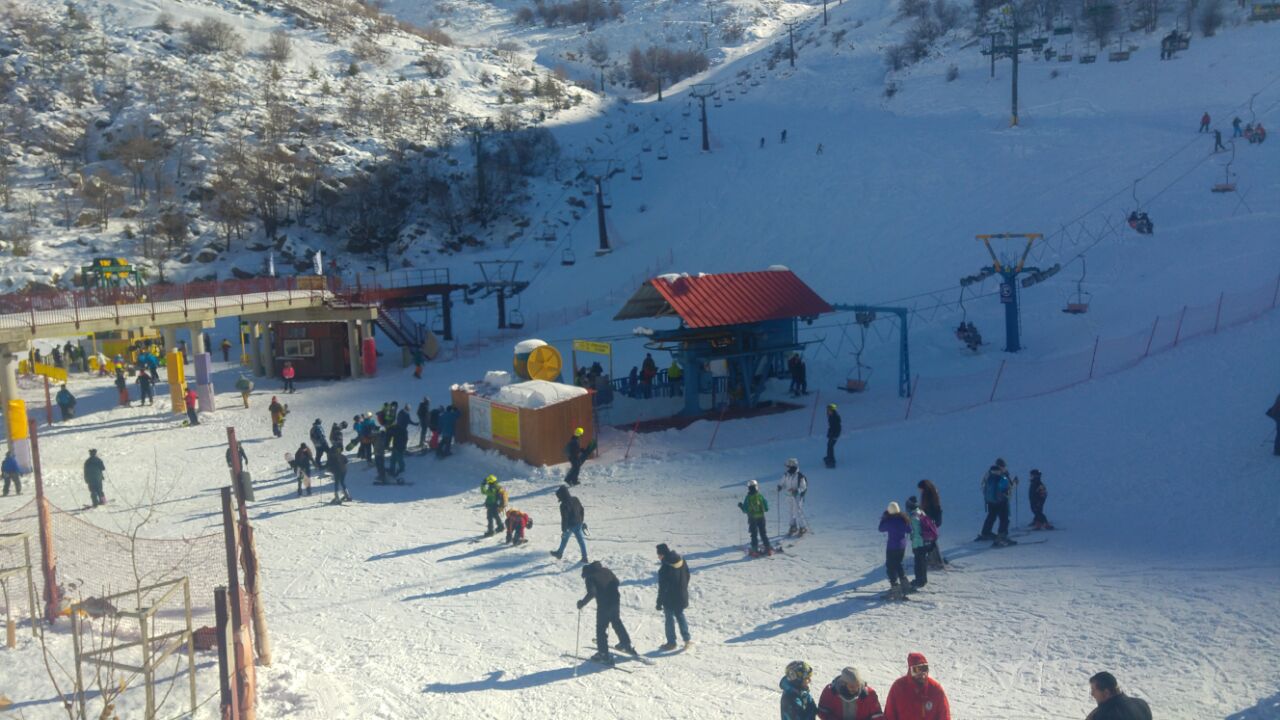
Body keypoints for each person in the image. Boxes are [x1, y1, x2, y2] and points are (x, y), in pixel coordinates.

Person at [576, 560, 634, 665]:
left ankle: (603, 654)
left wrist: (582, 603)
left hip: (604, 604)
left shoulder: (590, 577)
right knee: (616, 622)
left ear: (586, 573)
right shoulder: (606, 570)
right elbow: (616, 582)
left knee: (601, 628)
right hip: (615, 601)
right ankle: (626, 644)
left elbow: (592, 593)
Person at [883, 652, 950, 720]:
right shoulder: (898, 688)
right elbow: (889, 715)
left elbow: (944, 716)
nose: (922, 673)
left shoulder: (935, 689)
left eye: (924, 668)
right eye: (917, 670)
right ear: (910, 671)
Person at [655, 543, 691, 651]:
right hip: (681, 595)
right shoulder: (682, 561)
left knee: (669, 620)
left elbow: (662, 588)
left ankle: (671, 643)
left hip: (669, 598)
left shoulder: (664, 569)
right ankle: (687, 640)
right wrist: (683, 588)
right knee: (680, 615)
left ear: (662, 555)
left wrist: (659, 602)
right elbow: (687, 575)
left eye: (658, 555)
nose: (658, 557)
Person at [817, 666, 884, 720]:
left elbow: (878, 716)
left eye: (858, 685)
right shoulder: (830, 692)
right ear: (843, 684)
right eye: (852, 686)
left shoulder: (869, 695)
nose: (856, 689)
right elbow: (823, 713)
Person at [1086, 671, 1152, 720]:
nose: (1092, 694)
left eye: (1093, 690)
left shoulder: (1102, 715)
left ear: (1106, 692)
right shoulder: (1142, 704)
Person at [977, 462, 1015, 546]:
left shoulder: (989, 476)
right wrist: (1013, 484)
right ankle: (1002, 537)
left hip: (991, 502)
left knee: (991, 517)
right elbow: (1007, 490)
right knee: (1004, 519)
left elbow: (983, 487)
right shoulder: (1002, 478)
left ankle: (986, 532)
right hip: (1001, 502)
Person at [879, 502, 911, 598]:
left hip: (892, 547)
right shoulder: (903, 519)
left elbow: (880, 528)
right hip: (902, 546)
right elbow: (909, 530)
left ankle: (895, 587)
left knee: (890, 566)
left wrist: (884, 518)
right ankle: (905, 584)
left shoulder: (889, 521)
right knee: (899, 563)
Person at [905, 496, 939, 589]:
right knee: (922, 562)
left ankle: (919, 581)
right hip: (926, 542)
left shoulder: (913, 517)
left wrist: (913, 542)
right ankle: (923, 579)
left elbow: (916, 532)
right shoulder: (921, 512)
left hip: (919, 543)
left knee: (918, 563)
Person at [551, 484, 589, 562]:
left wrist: (564, 530)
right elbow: (582, 510)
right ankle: (585, 557)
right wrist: (581, 520)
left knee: (564, 539)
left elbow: (564, 518)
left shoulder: (563, 505)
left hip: (570, 526)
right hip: (578, 523)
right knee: (581, 541)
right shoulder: (575, 499)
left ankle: (559, 553)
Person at [916, 479, 946, 567]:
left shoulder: (927, 496)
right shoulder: (933, 492)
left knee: (930, 540)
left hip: (931, 521)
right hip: (936, 519)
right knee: (932, 539)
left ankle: (935, 559)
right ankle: (936, 558)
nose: (920, 491)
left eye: (920, 489)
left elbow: (927, 510)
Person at [739, 479, 773, 556]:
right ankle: (768, 549)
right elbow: (766, 508)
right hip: (761, 517)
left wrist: (741, 506)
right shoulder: (760, 496)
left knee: (754, 534)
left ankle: (754, 550)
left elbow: (745, 510)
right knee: (763, 533)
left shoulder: (748, 498)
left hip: (752, 518)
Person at [778, 458, 809, 537]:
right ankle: (793, 526)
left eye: (788, 467)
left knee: (797, 512)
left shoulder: (800, 476)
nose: (787, 468)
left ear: (793, 467)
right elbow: (783, 483)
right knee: (791, 512)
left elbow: (803, 487)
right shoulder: (786, 475)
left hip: (797, 497)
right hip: (789, 496)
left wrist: (797, 491)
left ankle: (802, 527)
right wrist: (780, 486)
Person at [824, 404, 842, 468]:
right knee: (829, 446)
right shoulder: (831, 416)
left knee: (830, 446)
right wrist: (829, 433)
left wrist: (834, 435)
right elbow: (831, 427)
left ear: (832, 410)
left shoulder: (834, 417)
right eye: (827, 410)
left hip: (835, 434)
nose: (828, 411)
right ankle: (829, 457)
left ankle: (832, 461)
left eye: (829, 410)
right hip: (832, 434)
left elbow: (837, 427)